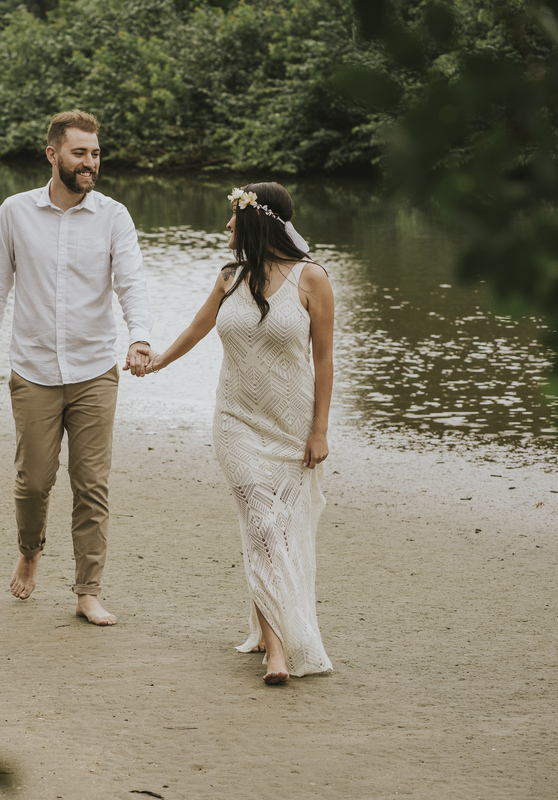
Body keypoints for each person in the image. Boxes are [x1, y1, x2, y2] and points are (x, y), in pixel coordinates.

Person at [140, 182, 334, 683]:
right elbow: (197, 329)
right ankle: (276, 652)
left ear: (258, 221)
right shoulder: (230, 277)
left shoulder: (312, 280)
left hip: (291, 426)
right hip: (236, 423)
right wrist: (157, 362)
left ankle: (270, 625)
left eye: (233, 217)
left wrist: (319, 430)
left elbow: (325, 358)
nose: (227, 226)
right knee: (263, 526)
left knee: (280, 533)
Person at [0, 110, 154, 626]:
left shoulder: (114, 216)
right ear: (53, 155)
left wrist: (139, 335)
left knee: (91, 483)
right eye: (80, 153)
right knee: (33, 481)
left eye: (95, 153)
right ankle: (30, 550)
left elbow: (132, 283)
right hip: (32, 370)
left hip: (96, 370)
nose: (90, 163)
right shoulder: (15, 212)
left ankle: (87, 591)